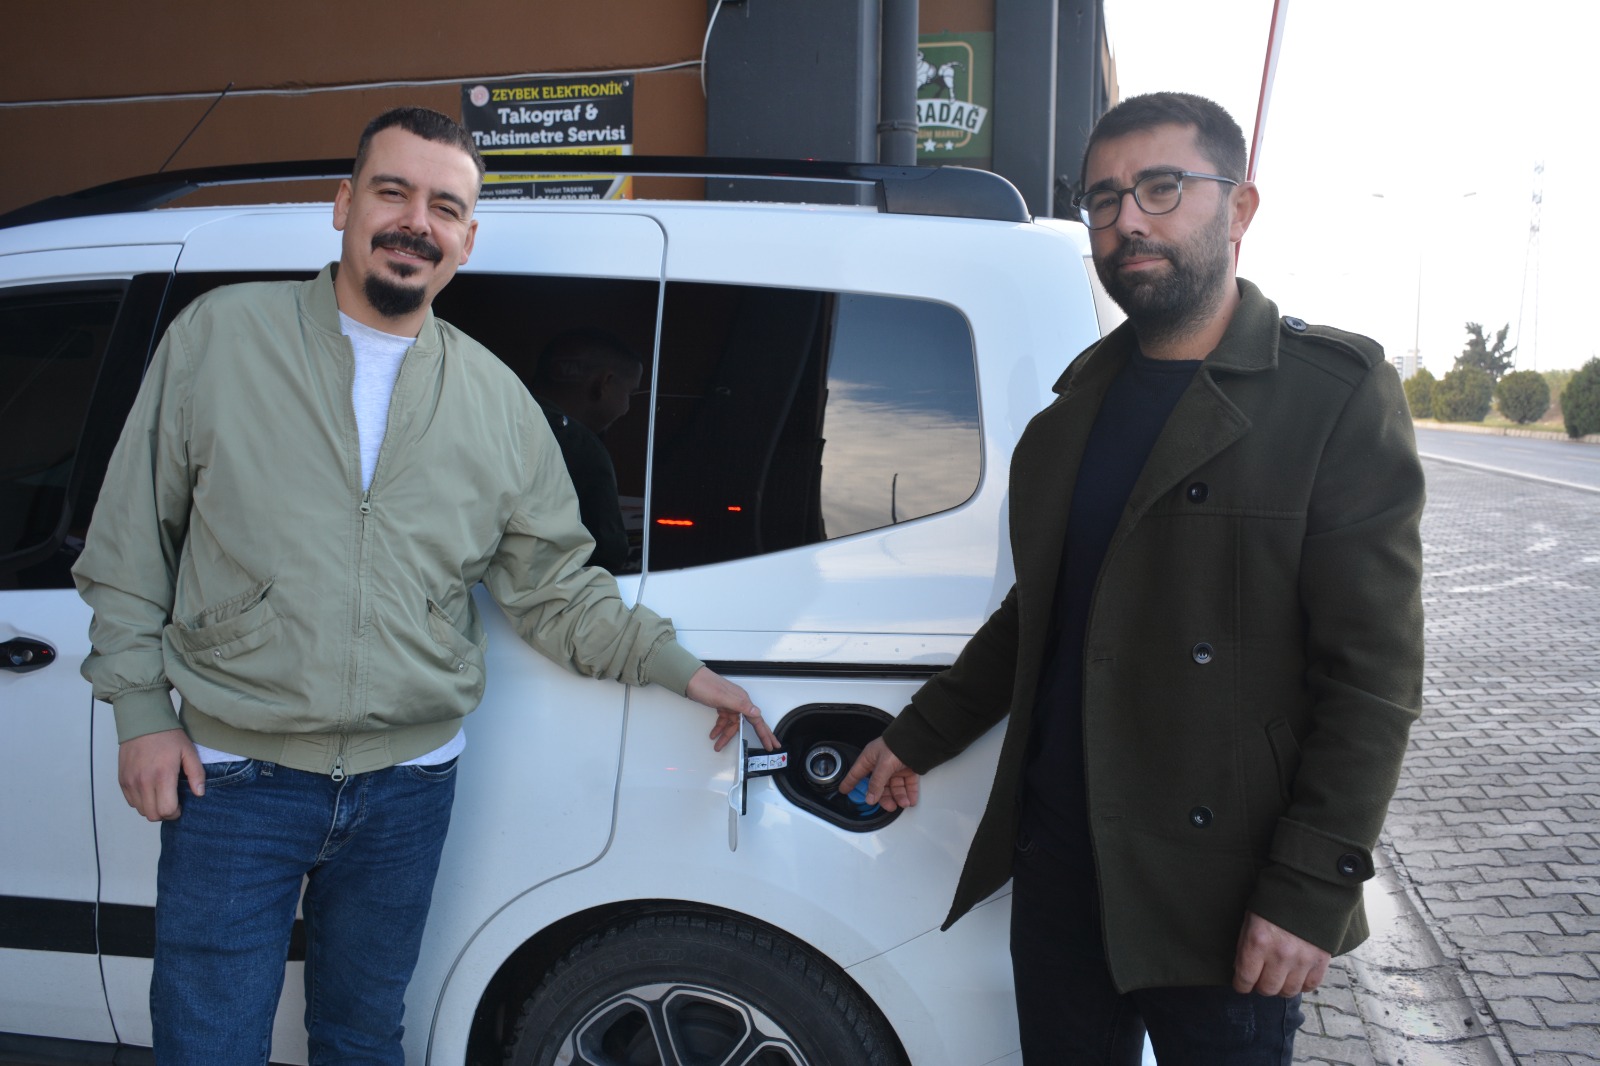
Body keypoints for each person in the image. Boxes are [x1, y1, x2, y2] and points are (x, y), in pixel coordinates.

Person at [71, 106, 776, 1066]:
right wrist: (143, 713)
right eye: (392, 192)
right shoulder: (219, 339)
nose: (416, 222)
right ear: (343, 204)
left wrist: (686, 671)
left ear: (466, 240)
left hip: (409, 787)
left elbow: (555, 587)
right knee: (208, 1046)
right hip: (233, 776)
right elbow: (128, 546)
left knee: (364, 1038)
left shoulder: (498, 403)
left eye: (444, 207)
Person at [841, 91, 1424, 1063]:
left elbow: (1373, 675)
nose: (1128, 221)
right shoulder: (1070, 413)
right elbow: (1044, 611)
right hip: (1064, 870)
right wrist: (919, 734)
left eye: (1161, 187)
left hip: (1223, 890)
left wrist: (1307, 890)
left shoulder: (1328, 398)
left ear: (1238, 208)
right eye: (1103, 199)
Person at [528, 328, 642, 574]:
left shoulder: (483, 420)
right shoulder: (582, 450)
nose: (627, 407)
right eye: (630, 393)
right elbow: (605, 558)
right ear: (604, 383)